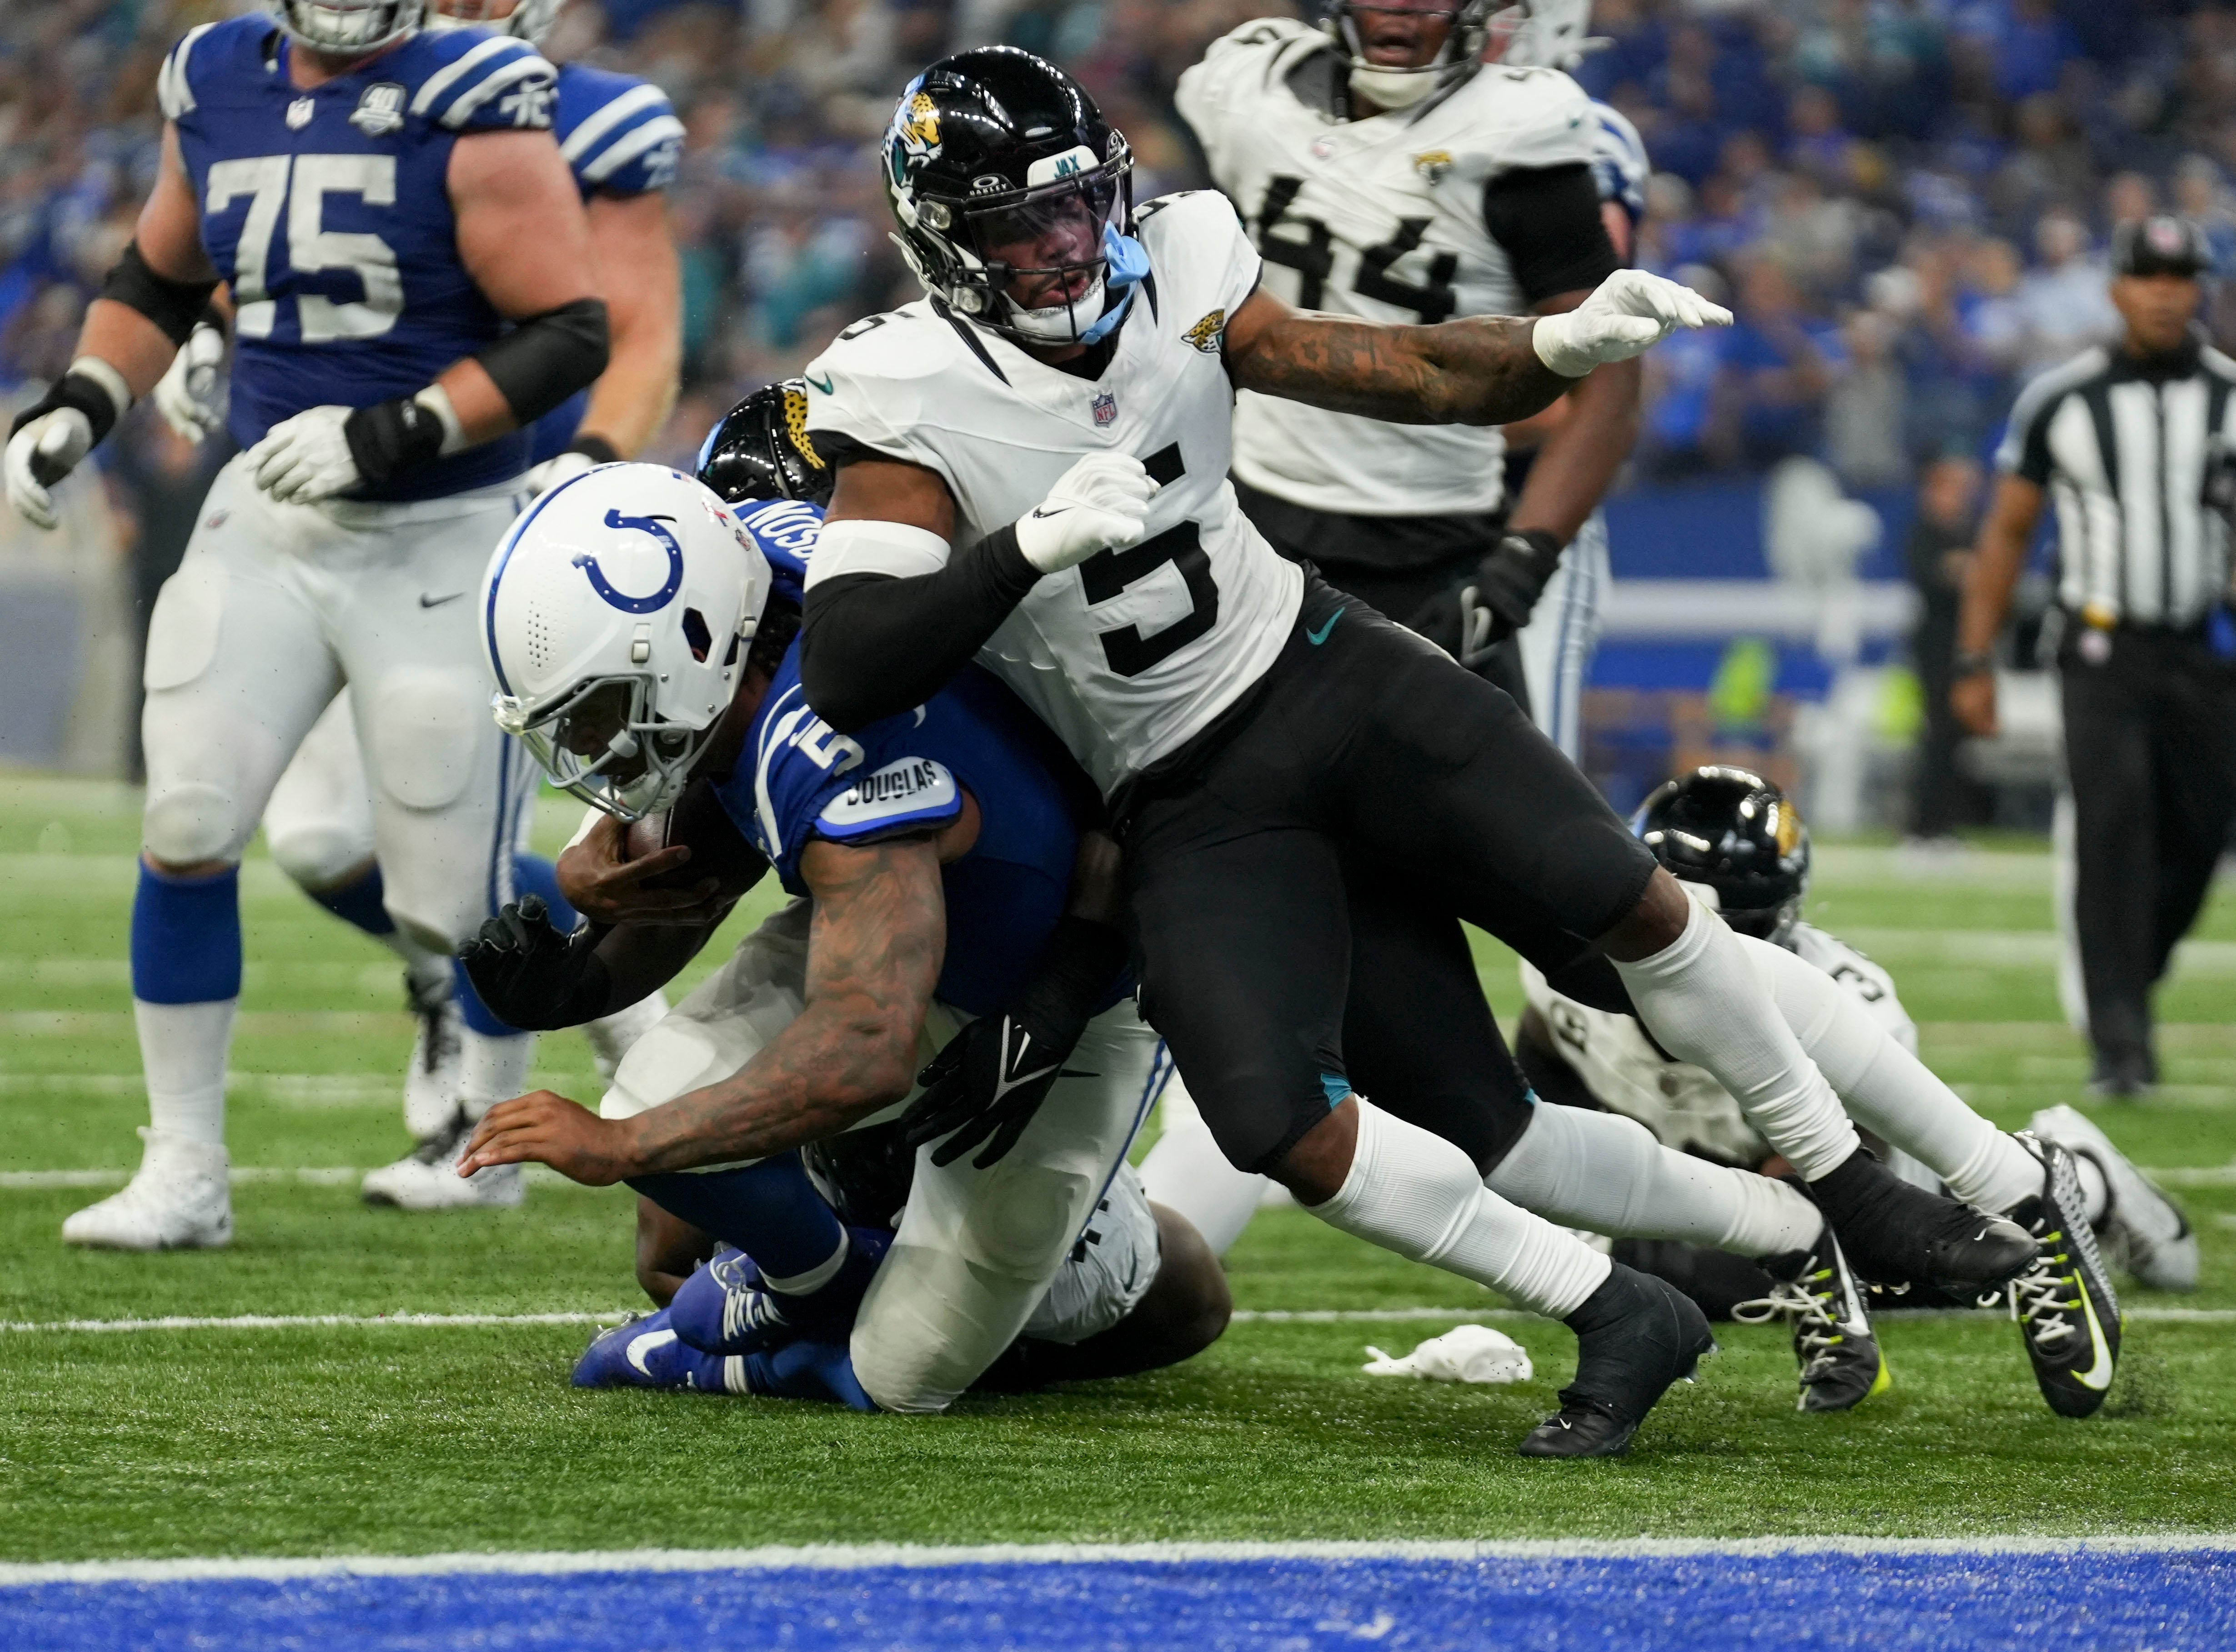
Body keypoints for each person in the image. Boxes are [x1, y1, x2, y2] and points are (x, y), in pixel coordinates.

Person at [787, 50, 2033, 1457]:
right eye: (1019, 225)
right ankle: (1616, 1306)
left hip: (1323, 671)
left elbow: (1400, 367)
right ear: (944, 245)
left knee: (1620, 896)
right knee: (1282, 1123)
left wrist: (1557, 347)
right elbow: (849, 661)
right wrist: (1020, 547)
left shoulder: (1184, 260)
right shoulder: (904, 395)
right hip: (1181, 793)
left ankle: (1846, 1180)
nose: (1065, 245)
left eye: (1078, 206)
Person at [4, 0, 608, 1251]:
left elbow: (566, 332)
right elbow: (158, 275)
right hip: (271, 515)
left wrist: (392, 431)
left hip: (439, 528)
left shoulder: (473, 92)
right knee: (186, 821)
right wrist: (81, 402)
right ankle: (183, 1169)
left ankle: (516, 1118)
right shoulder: (216, 73)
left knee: (456, 897)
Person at [450, 442, 1194, 1415]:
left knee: (908, 1373)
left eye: (597, 715)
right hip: (903, 929)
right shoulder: (749, 588)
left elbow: (863, 1048)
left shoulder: (827, 731)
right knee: (664, 1108)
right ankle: (827, 1287)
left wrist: (620, 1144)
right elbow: (708, 853)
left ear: (692, 643)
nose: (592, 749)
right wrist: (581, 981)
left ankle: (1089, 1243)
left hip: (1067, 991)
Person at [141, 0, 689, 1211]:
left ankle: (505, 1080)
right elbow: (296, 261)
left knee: (453, 857)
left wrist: (590, 457)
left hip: (488, 508)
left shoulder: (583, 117)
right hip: (316, 516)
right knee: (325, 842)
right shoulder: (323, 85)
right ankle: (596, 992)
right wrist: (203, 328)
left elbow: (638, 326)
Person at [1172, 0, 1642, 750]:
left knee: (1514, 847)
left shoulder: (1524, 135)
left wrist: (1517, 569)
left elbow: (1610, 381)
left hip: (1434, 545)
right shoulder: (1249, 89)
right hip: (1253, 528)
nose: (1400, 8)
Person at [1954, 214, 2236, 1099]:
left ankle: (2124, 977)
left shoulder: (2231, 398)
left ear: (2198, 289)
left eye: (2179, 275)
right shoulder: (2058, 398)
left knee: (2198, 835)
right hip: (2098, 648)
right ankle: (2120, 1037)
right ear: (2115, 289)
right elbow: (2004, 533)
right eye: (2147, 276)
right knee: (2111, 829)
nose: (2163, 291)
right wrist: (1972, 659)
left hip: (2203, 651)